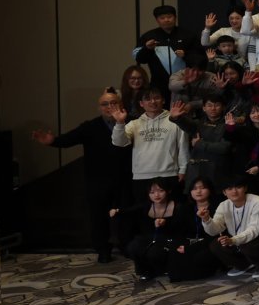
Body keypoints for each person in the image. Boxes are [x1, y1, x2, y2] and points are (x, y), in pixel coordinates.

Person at [32, 87, 133, 262]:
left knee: (126, 214)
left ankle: (127, 246)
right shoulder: (90, 126)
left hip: (125, 178)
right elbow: (68, 139)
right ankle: (103, 249)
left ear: (121, 104)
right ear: (99, 108)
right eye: (105, 104)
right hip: (97, 180)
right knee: (98, 217)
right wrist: (52, 141)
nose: (109, 106)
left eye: (113, 102)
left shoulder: (131, 123)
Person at [110, 88, 190, 199]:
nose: (152, 102)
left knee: (171, 208)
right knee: (143, 209)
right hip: (141, 176)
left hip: (169, 174)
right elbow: (119, 142)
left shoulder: (175, 120)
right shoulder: (134, 124)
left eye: (156, 98)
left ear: (163, 100)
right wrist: (119, 122)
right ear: (141, 103)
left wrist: (183, 169)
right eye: (147, 99)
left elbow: (183, 146)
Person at [206, 176, 259, 279]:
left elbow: (254, 230)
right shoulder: (223, 205)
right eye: (229, 189)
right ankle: (244, 264)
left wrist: (233, 240)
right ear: (224, 192)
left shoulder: (258, 202)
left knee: (247, 244)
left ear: (245, 188)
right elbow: (215, 230)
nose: (234, 191)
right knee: (215, 245)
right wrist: (206, 220)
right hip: (241, 237)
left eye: (238, 187)